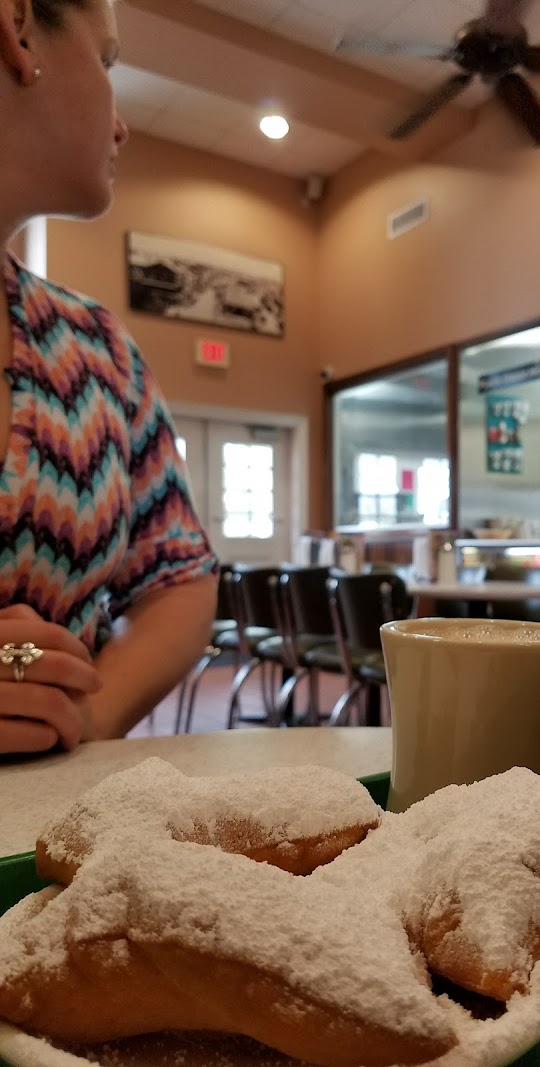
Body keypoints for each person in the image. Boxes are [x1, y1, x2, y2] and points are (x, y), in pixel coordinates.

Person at [0, 0, 218, 754]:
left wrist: (87, 711)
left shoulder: (96, 348)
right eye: (108, 61)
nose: (121, 125)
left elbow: (179, 574)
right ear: (17, 28)